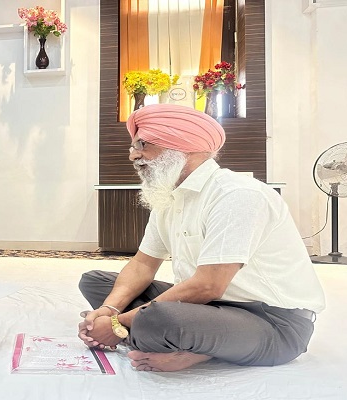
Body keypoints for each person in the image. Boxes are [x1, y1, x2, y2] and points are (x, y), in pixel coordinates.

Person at [78, 104, 325, 372]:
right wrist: (110, 310)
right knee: (95, 282)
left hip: (274, 323)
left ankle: (195, 349)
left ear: (183, 146)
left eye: (142, 145)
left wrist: (118, 324)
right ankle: (183, 341)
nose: (133, 155)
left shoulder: (236, 195)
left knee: (157, 318)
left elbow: (208, 286)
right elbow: (142, 265)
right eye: (133, 147)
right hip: (207, 310)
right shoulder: (169, 198)